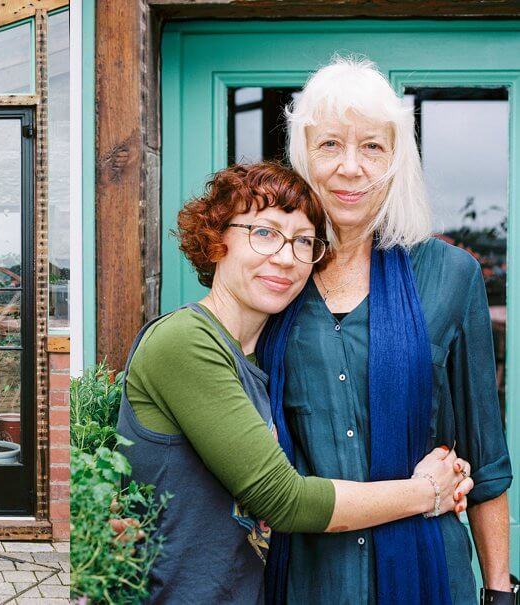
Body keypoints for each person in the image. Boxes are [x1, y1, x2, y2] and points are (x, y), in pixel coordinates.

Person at [116, 162, 473, 603]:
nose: (285, 257)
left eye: (303, 242)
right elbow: (283, 500)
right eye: (264, 233)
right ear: (216, 240)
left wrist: (448, 467)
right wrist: (428, 491)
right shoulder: (186, 341)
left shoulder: (259, 355)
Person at [262, 57, 513, 604]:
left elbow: (485, 459)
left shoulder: (451, 276)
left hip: (429, 573)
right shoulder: (271, 278)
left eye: (372, 147)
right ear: (304, 154)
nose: (350, 167)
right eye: (330, 145)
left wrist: (499, 591)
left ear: (396, 161)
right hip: (305, 578)